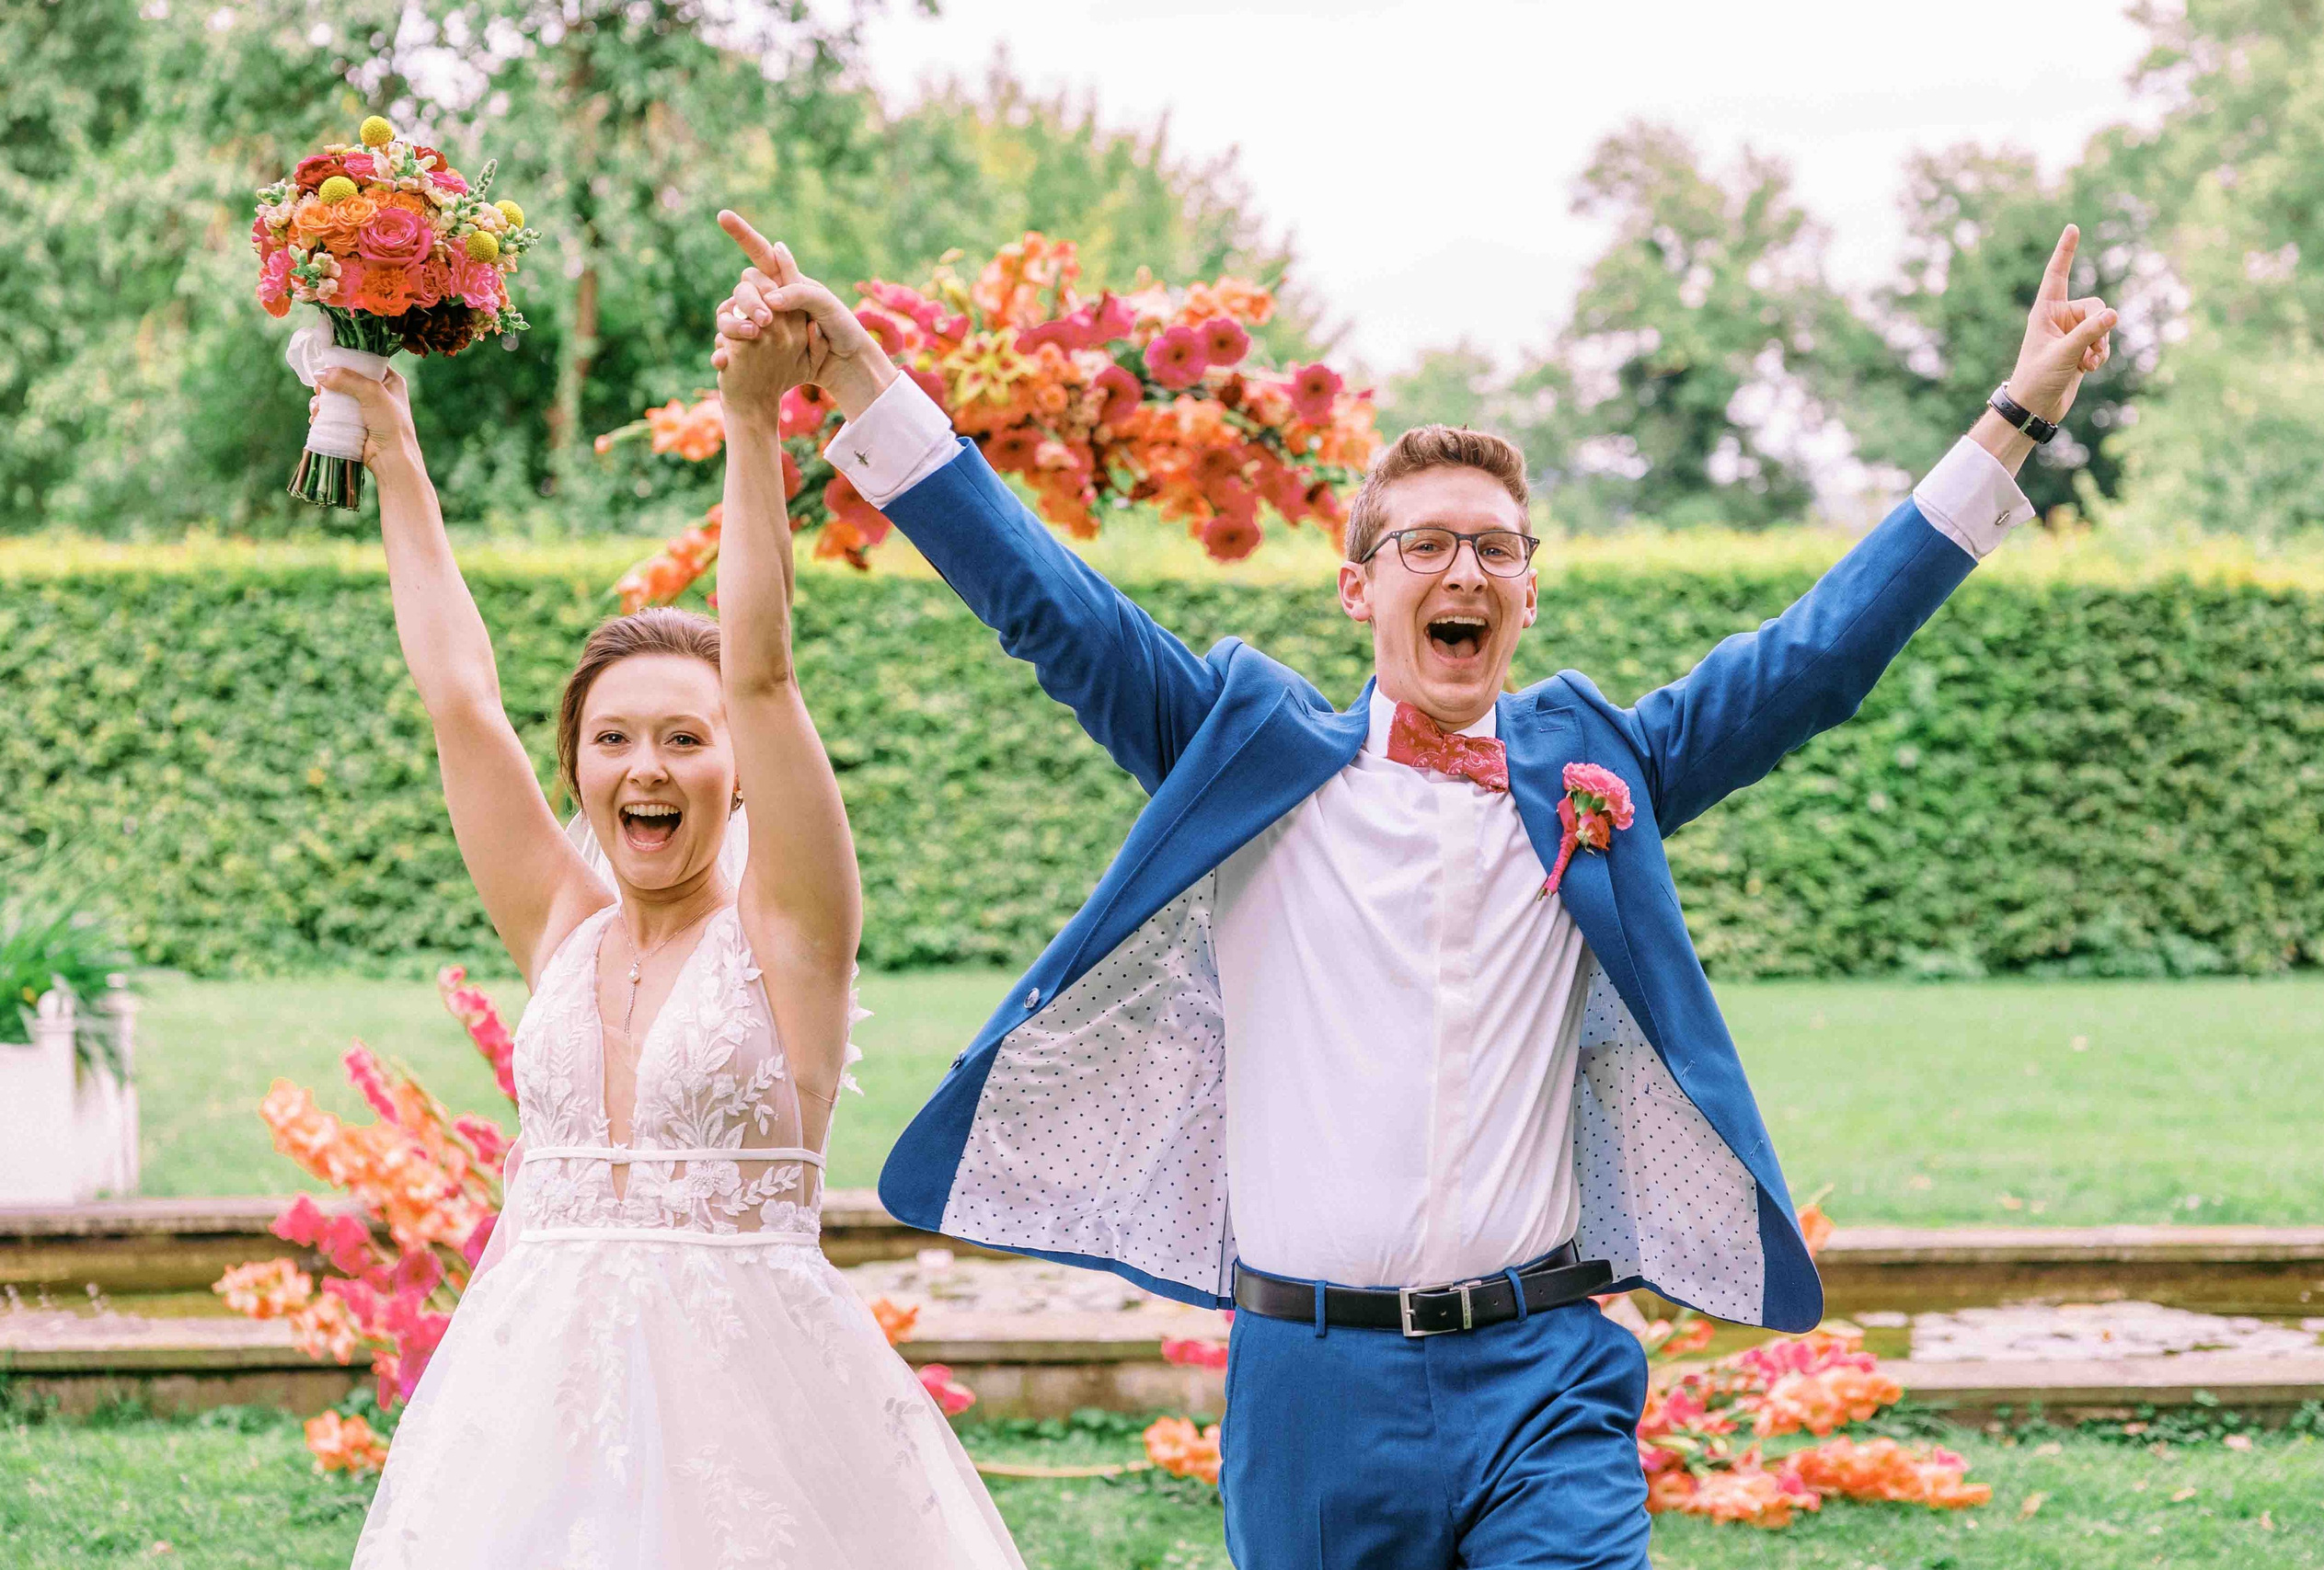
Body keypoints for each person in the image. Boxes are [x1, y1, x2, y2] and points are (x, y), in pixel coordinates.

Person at [713, 228, 2114, 1567]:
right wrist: (862, 385)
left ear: (1529, 595)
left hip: (1545, 1367)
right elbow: (1050, 607)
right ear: (1357, 587)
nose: (1465, 569)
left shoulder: (1596, 769)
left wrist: (2017, 416)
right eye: (1429, 544)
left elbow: (1818, 655)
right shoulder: (1248, 755)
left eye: (1498, 547)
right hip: (1312, 1384)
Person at [324, 213, 1026, 1570]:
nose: (647, 768)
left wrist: (750, 423)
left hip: (756, 1435)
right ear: (582, 767)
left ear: (740, 773)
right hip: (526, 1417)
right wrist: (399, 456)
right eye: (614, 740)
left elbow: (762, 670)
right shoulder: (561, 926)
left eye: (684, 740)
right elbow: (463, 703)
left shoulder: (791, 936)